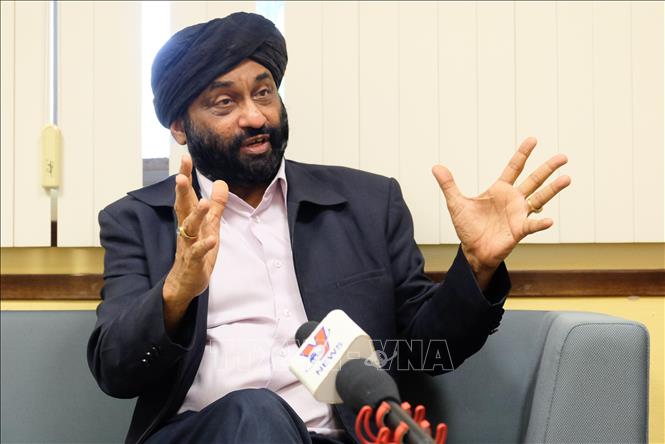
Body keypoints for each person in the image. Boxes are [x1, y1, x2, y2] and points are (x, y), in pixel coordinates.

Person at [87, 12, 570, 444]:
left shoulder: (366, 203)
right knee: (255, 411)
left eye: (263, 93)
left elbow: (429, 353)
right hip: (206, 434)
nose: (255, 116)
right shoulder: (138, 220)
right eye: (225, 102)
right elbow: (116, 370)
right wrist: (176, 291)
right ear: (179, 127)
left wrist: (478, 266)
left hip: (338, 436)